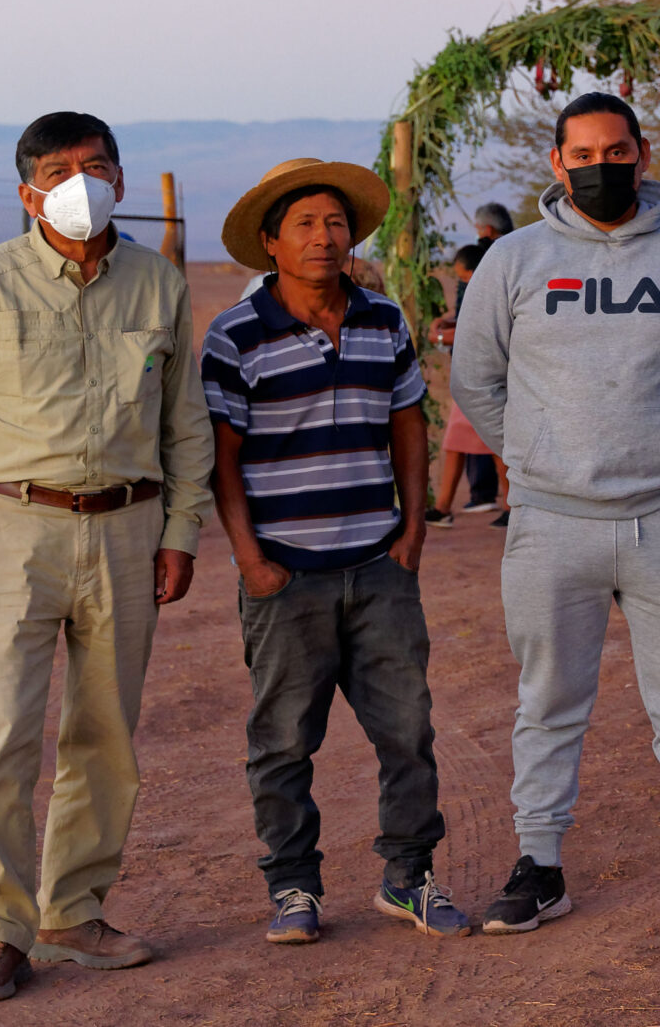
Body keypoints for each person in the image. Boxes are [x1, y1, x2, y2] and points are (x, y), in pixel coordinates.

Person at [0, 112, 215, 1002]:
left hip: (127, 527)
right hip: (12, 530)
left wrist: (181, 531)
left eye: (97, 165)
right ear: (26, 191)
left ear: (121, 176)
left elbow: (183, 422)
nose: (81, 180)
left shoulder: (157, 283)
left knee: (105, 735)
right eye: (59, 168)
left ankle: (74, 911)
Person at [450, 92, 660, 933]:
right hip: (551, 523)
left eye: (615, 150)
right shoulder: (514, 261)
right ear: (556, 164)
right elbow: (475, 379)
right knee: (548, 698)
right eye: (582, 154)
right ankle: (540, 864)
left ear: (643, 153)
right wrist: (534, 455)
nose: (600, 166)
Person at [200, 159, 470, 944]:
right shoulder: (235, 334)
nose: (325, 237)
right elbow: (222, 457)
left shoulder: (385, 320)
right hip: (285, 574)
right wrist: (251, 560)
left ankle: (409, 876)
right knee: (283, 738)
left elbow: (409, 423)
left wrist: (413, 526)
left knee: (408, 726)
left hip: (379, 565)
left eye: (336, 222)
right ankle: (293, 887)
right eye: (306, 224)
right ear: (270, 243)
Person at [429, 244, 507, 527]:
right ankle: (443, 507)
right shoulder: (484, 291)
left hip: (485, 380)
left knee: (495, 444)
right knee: (465, 443)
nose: (462, 282)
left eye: (463, 277)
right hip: (477, 379)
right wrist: (447, 322)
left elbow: (476, 332)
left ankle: (445, 507)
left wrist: (438, 338)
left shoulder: (490, 293)